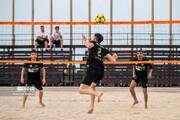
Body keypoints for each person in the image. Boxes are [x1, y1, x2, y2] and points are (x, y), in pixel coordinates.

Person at [79, 33, 118, 114]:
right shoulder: (104, 48)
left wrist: (84, 40)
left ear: (95, 38)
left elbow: (88, 46)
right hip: (101, 71)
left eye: (93, 36)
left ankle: (98, 94)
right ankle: (91, 107)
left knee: (81, 90)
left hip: (93, 69)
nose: (92, 37)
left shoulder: (93, 43)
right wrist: (114, 57)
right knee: (92, 87)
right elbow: (113, 61)